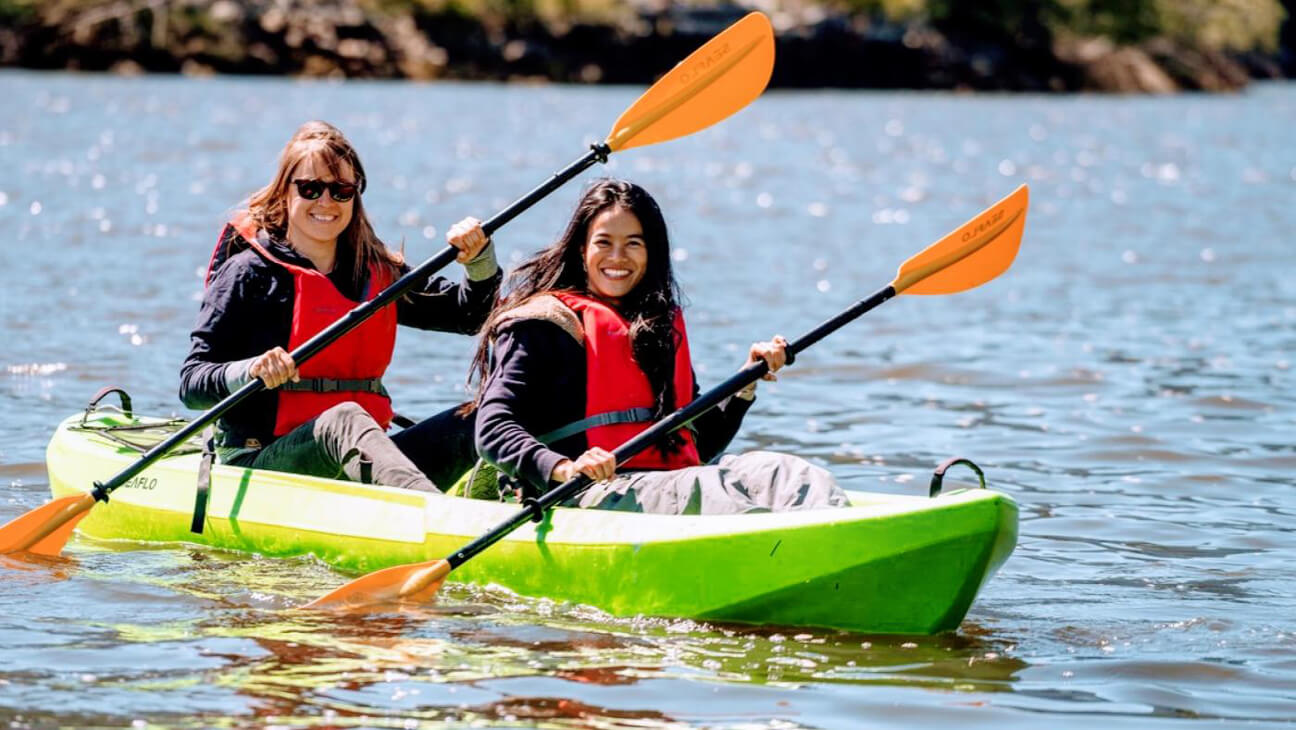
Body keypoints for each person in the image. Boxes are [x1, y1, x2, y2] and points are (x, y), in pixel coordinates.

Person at [465, 179, 850, 514]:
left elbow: (696, 444)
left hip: (669, 486)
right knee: (714, 494)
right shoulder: (543, 324)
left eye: (633, 244)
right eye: (604, 242)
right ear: (582, 251)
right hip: (582, 496)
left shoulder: (655, 327)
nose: (617, 258)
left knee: (788, 473)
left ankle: (845, 545)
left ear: (652, 254)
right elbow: (492, 428)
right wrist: (561, 467)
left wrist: (743, 384)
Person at [180, 121, 500, 492]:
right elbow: (192, 383)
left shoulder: (378, 273)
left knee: (481, 419)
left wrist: (479, 261)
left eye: (341, 190)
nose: (326, 202)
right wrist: (251, 370)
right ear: (286, 192)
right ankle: (437, 517)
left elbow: (471, 316)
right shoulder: (249, 274)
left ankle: (521, 511)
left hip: (358, 458)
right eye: (310, 188)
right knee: (345, 418)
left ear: (355, 195)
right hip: (262, 462)